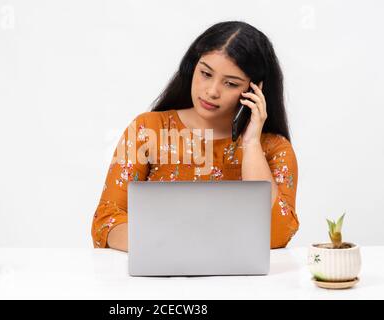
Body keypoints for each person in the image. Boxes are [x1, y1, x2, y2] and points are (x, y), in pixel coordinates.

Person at [91, 21, 299, 252]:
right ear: (192, 67)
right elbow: (106, 220)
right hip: (158, 274)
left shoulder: (273, 148)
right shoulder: (147, 130)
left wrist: (251, 143)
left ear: (253, 91)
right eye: (206, 73)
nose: (212, 91)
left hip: (239, 284)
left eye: (230, 83)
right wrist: (167, 245)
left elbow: (277, 235)